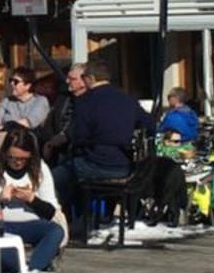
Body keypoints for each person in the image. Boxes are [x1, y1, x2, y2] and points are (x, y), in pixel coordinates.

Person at [0, 127, 65, 273]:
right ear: (5, 153)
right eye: (12, 157)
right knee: (5, 253)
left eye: (23, 159)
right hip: (2, 226)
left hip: (32, 224)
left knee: (55, 231)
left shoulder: (40, 169)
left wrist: (32, 199)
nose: (17, 162)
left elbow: (51, 212)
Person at [57, 63, 154, 219]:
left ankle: (67, 220)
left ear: (90, 79)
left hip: (95, 164)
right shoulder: (127, 99)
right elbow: (150, 125)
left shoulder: (85, 101)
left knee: (58, 175)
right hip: (124, 167)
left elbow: (79, 137)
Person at [0, 67, 49, 132]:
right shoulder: (7, 101)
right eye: (11, 80)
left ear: (28, 86)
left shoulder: (40, 101)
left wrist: (4, 127)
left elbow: (28, 123)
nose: (12, 84)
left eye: (16, 82)